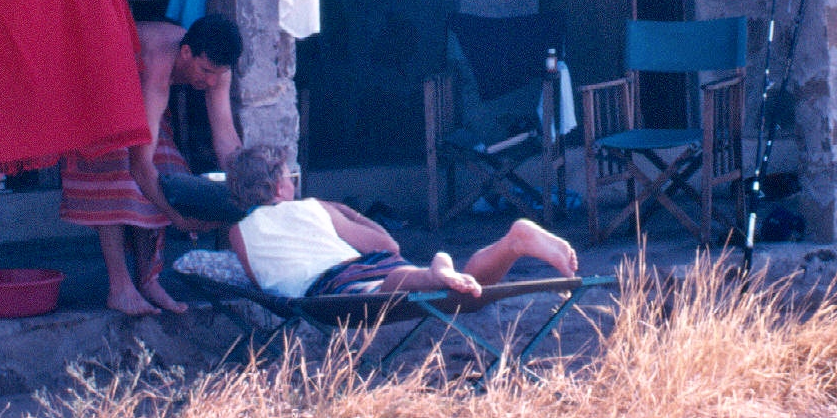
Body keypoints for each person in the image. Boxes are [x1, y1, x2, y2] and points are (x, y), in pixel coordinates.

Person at [61, 14, 243, 315]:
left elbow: (226, 138)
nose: (210, 81)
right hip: (95, 84)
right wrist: (178, 217)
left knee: (169, 168)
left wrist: (249, 187)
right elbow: (141, 167)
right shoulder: (159, 62)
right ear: (186, 53)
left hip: (134, 100)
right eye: (205, 71)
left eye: (218, 74)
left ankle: (148, 280)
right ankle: (120, 287)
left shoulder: (218, 68)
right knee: (116, 175)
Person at [224, 144, 578, 298]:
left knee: (442, 290)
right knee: (443, 289)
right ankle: (509, 244)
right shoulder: (313, 207)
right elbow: (387, 246)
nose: (294, 183)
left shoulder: (237, 233)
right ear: (277, 188)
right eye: (290, 177)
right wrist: (349, 212)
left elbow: (262, 281)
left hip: (326, 291)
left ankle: (444, 270)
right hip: (350, 276)